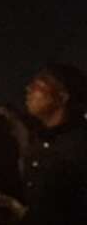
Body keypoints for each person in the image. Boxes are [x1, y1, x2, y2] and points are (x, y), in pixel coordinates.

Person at [20, 63, 87, 224]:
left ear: (63, 96)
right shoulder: (39, 140)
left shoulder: (79, 146)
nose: (28, 89)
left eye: (38, 85)